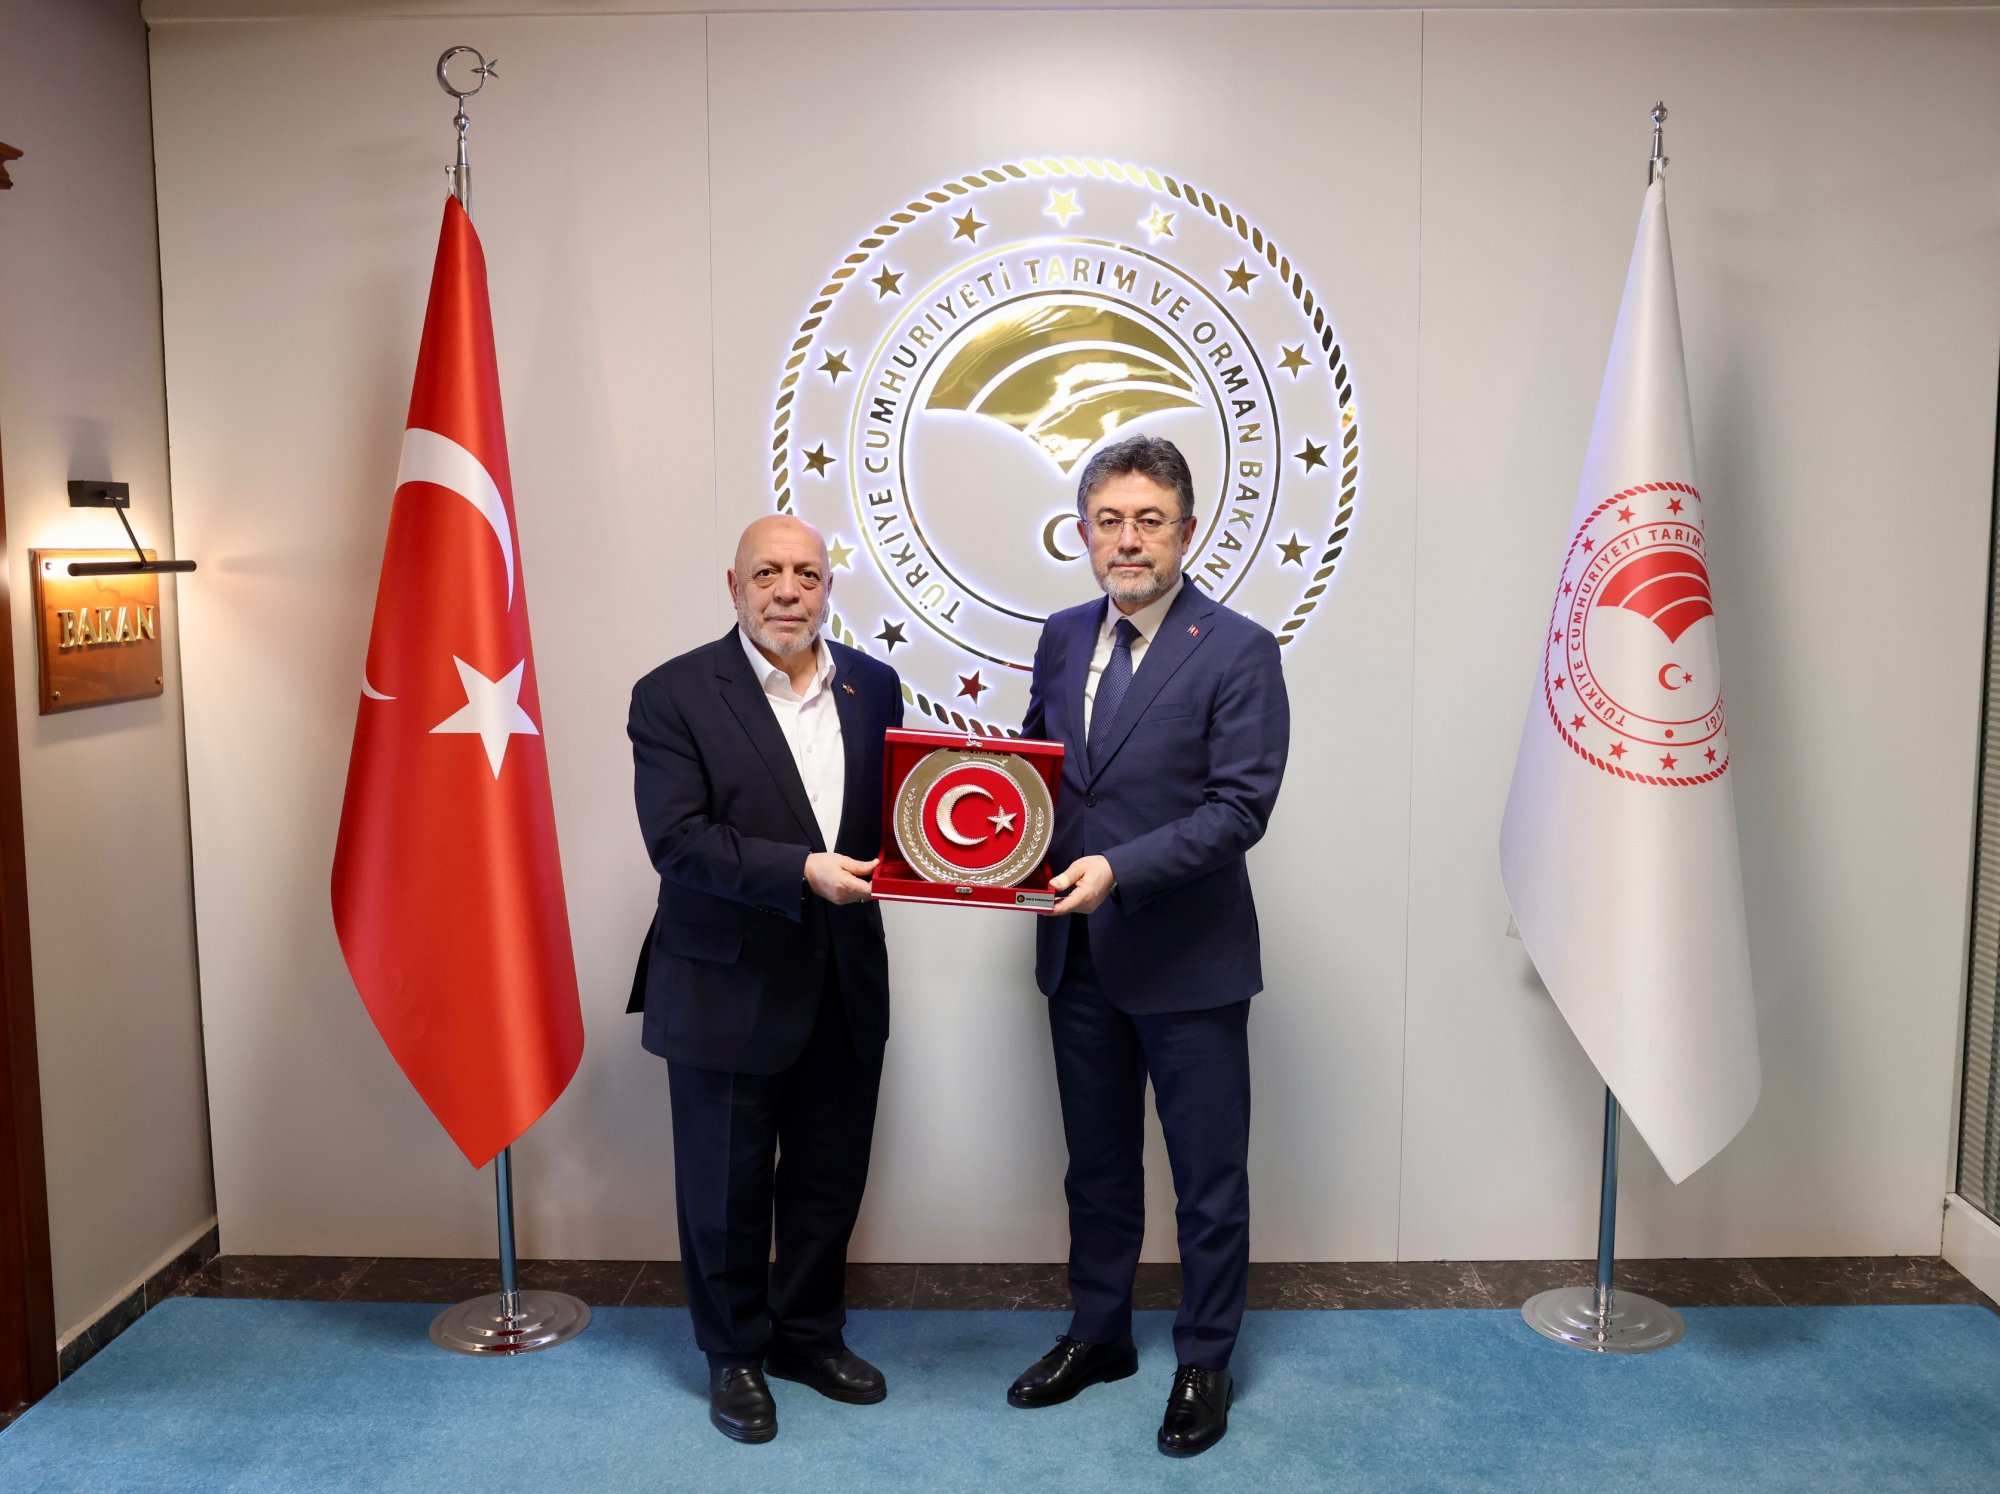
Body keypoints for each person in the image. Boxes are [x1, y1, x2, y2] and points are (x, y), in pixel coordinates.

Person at [1010, 432, 1290, 1458]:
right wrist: (972, 833)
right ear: (1083, 532)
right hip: (1075, 956)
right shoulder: (1059, 636)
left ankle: (1203, 1358)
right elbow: (1040, 770)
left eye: (1149, 521)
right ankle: (1099, 1335)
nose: (1127, 540)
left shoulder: (1238, 648)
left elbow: (1238, 808)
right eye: (1109, 520)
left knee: (1207, 1181)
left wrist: (1118, 870)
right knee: (1095, 1168)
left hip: (1188, 961)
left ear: (1187, 531)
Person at [627, 514, 901, 1444]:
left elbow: (904, 816)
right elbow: (678, 840)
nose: (789, 592)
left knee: (828, 1179)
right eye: (769, 574)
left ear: (828, 587)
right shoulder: (672, 694)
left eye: (808, 575)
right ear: (734, 585)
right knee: (725, 1191)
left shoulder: (874, 685)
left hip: (844, 979)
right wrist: (802, 871)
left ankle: (808, 1337)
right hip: (725, 985)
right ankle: (734, 1355)